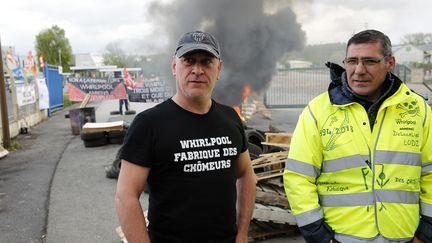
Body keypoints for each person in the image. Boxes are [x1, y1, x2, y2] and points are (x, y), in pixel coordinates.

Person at [284, 29, 432, 243]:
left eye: (370, 61)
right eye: (352, 61)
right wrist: (320, 237)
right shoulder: (318, 111)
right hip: (342, 238)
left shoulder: (418, 110)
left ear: (390, 63)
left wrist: (426, 234)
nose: (359, 70)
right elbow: (298, 177)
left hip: (404, 237)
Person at [115, 30, 256, 243]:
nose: (197, 70)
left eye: (207, 61)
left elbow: (246, 174)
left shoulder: (231, 119)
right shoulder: (149, 124)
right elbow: (125, 196)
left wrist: (243, 234)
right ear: (174, 66)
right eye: (189, 61)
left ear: (219, 69)